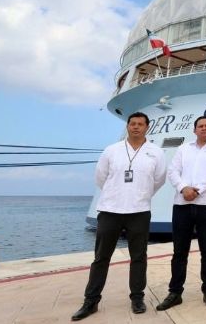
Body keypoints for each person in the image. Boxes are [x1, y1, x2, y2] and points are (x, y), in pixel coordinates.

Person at [71, 112, 167, 321]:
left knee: (139, 258)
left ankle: (137, 298)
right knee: (101, 258)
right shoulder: (111, 150)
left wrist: (140, 195)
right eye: (132, 124)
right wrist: (117, 194)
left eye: (140, 124)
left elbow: (159, 179)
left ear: (147, 127)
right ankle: (91, 301)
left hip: (139, 211)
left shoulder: (156, 152)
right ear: (127, 126)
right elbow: (101, 177)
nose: (136, 127)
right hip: (110, 210)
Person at [156, 116, 206, 311]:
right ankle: (175, 292)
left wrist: (196, 190)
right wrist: (183, 188)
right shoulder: (183, 149)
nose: (204, 128)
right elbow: (173, 171)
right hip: (182, 204)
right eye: (200, 126)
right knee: (179, 251)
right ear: (194, 130)